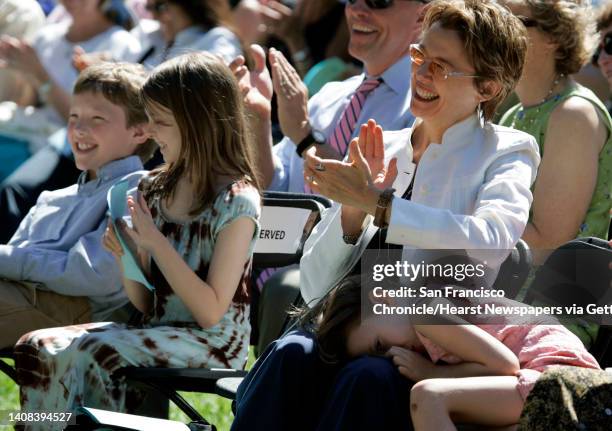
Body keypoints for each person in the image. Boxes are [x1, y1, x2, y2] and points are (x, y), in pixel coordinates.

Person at [232, 1, 540, 429]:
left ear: (487, 88)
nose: (422, 73)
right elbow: (315, 282)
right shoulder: (387, 143)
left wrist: (382, 206)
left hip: (435, 340)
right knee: (291, 354)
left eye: (442, 66)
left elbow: (491, 239)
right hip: (351, 323)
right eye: (419, 56)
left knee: (368, 378)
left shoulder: (506, 150)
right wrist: (352, 215)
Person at [14, 52, 261, 425]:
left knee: (98, 352)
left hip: (212, 344)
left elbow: (210, 312)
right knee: (36, 346)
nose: (153, 132)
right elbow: (145, 303)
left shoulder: (236, 200)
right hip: (155, 329)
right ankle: (42, 426)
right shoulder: (158, 188)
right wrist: (130, 257)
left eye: (161, 122)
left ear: (198, 124)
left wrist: (155, 244)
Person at [243, 0, 426, 352]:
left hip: (350, 272)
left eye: (379, 2)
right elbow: (273, 186)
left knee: (283, 285)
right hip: (279, 249)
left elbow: (374, 201)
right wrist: (259, 115)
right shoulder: (332, 94)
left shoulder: (421, 104)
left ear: (422, 14)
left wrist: (305, 138)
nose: (357, 10)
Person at [0, 62, 156, 350]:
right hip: (22, 299)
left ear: (139, 131)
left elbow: (97, 276)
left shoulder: (135, 189)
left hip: (81, 317)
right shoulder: (52, 198)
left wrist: (14, 260)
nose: (79, 129)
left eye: (97, 118)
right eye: (73, 117)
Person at [310, 276, 600, 430]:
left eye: (380, 345)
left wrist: (432, 373)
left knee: (428, 399)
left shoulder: (422, 311)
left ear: (384, 299)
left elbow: (506, 364)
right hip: (537, 385)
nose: (392, 354)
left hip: (555, 374)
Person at [499, 0, 612, 261]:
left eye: (513, 21)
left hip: (544, 298)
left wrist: (452, 217)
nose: (496, 30)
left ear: (554, 36)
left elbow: (546, 247)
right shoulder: (513, 114)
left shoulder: (573, 115)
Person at [131, 0, 242, 67]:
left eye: (160, 7)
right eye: (149, 8)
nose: (155, 16)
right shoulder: (160, 41)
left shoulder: (219, 37)